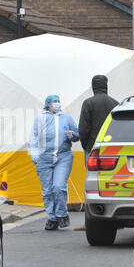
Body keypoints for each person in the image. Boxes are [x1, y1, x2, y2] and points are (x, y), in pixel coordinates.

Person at [29, 95, 79, 230]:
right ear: (48, 105)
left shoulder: (66, 118)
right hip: (44, 158)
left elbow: (77, 134)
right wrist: (35, 157)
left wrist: (72, 135)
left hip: (63, 157)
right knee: (47, 191)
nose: (57, 104)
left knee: (58, 186)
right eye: (54, 102)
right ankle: (52, 218)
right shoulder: (41, 119)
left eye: (58, 101)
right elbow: (33, 138)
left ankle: (62, 214)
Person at [76, 75, 119, 231]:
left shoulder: (88, 103)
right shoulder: (115, 104)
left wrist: (87, 147)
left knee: (92, 186)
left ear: (93, 87)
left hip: (94, 150)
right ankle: (113, 217)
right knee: (110, 183)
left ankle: (90, 221)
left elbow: (83, 130)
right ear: (106, 86)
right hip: (112, 151)